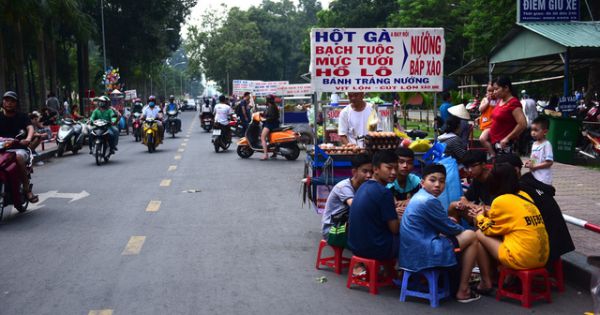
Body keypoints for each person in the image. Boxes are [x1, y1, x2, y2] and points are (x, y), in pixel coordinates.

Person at [400, 163, 481, 303]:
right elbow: (451, 229)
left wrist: (446, 223)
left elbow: (437, 223)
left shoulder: (419, 196)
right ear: (422, 182)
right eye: (432, 180)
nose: (437, 185)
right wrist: (462, 231)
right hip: (424, 251)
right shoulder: (429, 200)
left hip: (411, 250)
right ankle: (463, 289)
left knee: (459, 237)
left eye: (442, 181)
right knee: (472, 236)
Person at [474, 162, 549, 287]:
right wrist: (487, 212)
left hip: (522, 258)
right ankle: (504, 277)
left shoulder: (501, 200)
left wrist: (479, 217)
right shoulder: (524, 196)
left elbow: (489, 229)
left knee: (478, 234)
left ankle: (486, 282)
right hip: (541, 258)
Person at [347, 150, 399, 270]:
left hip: (355, 246)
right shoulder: (384, 192)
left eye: (396, 168)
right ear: (376, 169)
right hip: (374, 248)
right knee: (413, 236)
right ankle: (406, 274)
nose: (394, 172)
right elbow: (395, 229)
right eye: (389, 168)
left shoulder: (363, 186)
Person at [321, 154, 372, 238]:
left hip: (345, 223)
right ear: (354, 172)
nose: (369, 175)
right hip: (333, 229)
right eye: (365, 171)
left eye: (371, 172)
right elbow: (356, 206)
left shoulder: (364, 185)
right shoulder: (344, 187)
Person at [0, 91, 39, 203]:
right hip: (2, 150)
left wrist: (28, 139)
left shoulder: (22, 116)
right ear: (3, 102)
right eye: (7, 100)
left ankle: (27, 190)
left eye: (12, 101)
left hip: (19, 149)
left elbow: (30, 128)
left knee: (18, 157)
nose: (9, 103)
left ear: (16, 103)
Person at [489, 76, 527, 154]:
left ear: (506, 88)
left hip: (505, 145)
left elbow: (522, 124)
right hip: (496, 143)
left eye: (496, 89)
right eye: (493, 90)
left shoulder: (513, 103)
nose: (494, 92)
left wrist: (507, 138)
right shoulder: (500, 101)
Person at [386, 147, 420, 219]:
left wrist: (410, 200)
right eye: (401, 162)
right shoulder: (388, 181)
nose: (405, 166)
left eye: (409, 163)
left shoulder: (415, 180)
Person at [524, 116, 553, 185]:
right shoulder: (534, 144)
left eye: (536, 130)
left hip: (543, 178)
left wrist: (534, 167)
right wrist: (529, 163)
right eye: (532, 130)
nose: (533, 133)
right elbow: (534, 159)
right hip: (534, 176)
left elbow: (549, 162)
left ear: (545, 131)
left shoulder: (546, 145)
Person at [478, 82, 498, 157]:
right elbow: (480, 109)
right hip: (485, 124)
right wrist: (487, 102)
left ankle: (492, 154)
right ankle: (491, 153)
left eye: (493, 90)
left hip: (492, 124)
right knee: (486, 140)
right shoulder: (485, 100)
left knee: (482, 138)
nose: (491, 93)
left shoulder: (498, 100)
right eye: (489, 91)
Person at [260, 95, 280, 160]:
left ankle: (265, 155)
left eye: (266, 99)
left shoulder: (271, 106)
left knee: (262, 137)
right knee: (270, 139)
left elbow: (271, 117)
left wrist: (265, 119)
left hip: (270, 124)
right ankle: (275, 153)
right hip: (272, 123)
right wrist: (261, 114)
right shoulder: (272, 106)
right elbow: (267, 114)